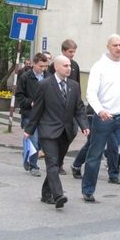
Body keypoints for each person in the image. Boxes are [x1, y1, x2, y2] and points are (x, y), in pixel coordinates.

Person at [81, 34, 120, 207]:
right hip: (104, 117)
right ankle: (88, 190)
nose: (119, 48)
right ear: (108, 47)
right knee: (95, 154)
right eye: (115, 45)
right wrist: (100, 110)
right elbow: (91, 93)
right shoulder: (99, 66)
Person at [25, 55, 89, 209]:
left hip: (66, 132)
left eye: (70, 66)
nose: (69, 68)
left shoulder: (74, 86)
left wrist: (84, 125)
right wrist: (29, 130)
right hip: (48, 131)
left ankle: (46, 194)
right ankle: (58, 195)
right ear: (56, 67)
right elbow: (37, 109)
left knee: (57, 163)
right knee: (52, 163)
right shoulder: (44, 85)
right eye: (65, 65)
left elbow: (79, 108)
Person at [49, 39, 81, 175]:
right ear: (63, 51)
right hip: (58, 106)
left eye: (74, 52)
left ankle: (59, 159)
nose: (72, 54)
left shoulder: (75, 65)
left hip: (71, 106)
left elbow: (77, 85)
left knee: (72, 132)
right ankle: (56, 162)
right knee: (58, 135)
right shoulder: (54, 65)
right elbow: (49, 84)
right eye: (70, 52)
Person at [15, 53, 50, 176]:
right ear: (34, 64)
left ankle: (27, 155)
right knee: (34, 141)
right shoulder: (25, 77)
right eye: (40, 66)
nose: (43, 69)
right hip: (30, 114)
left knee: (40, 142)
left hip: (44, 115)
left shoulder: (48, 76)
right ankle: (34, 166)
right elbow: (19, 95)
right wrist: (30, 103)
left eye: (45, 66)